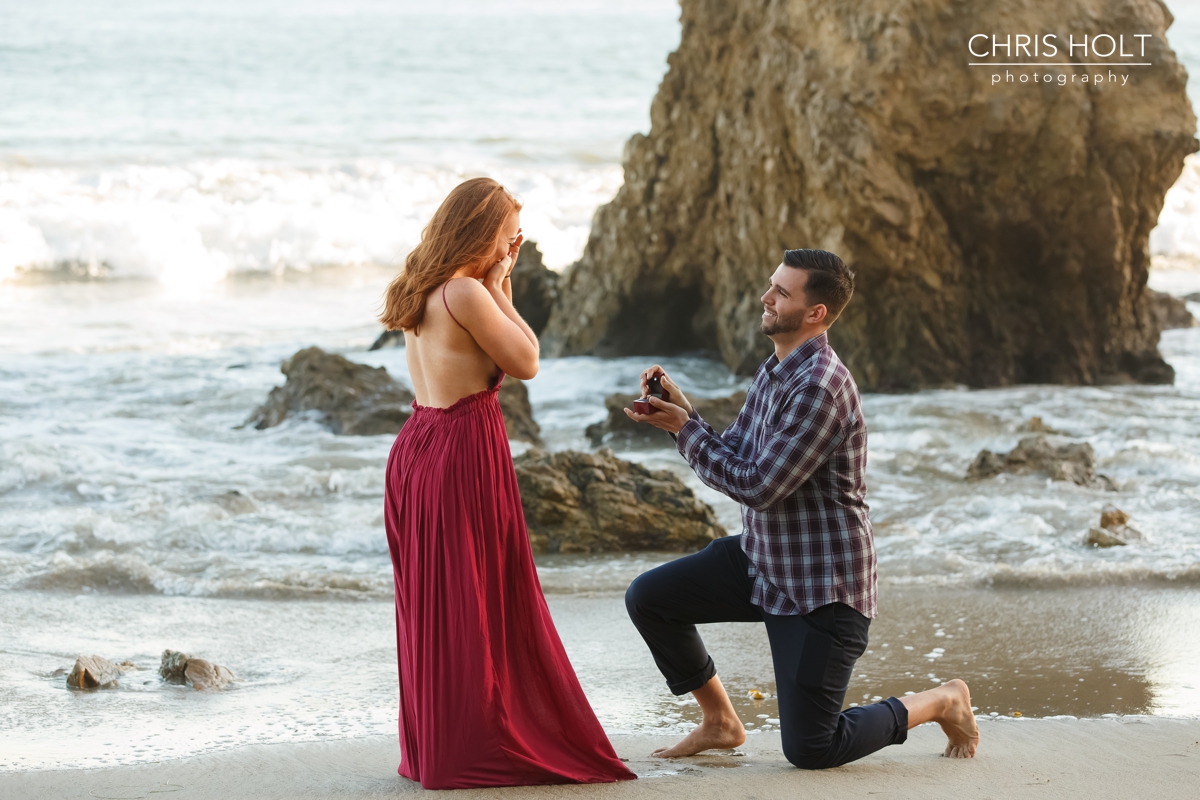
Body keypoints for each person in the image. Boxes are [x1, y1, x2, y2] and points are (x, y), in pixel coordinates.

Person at [623, 248, 980, 768]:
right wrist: (687, 413)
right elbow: (742, 454)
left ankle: (942, 699)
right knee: (650, 598)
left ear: (816, 313)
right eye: (772, 285)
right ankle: (720, 721)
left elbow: (760, 486)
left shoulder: (819, 387)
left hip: (822, 590)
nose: (766, 298)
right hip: (764, 562)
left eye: (781, 293)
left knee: (813, 748)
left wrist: (683, 430)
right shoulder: (777, 368)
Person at [379, 178, 636, 789]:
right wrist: (499, 287)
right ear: (481, 231)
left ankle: (439, 741)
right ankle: (467, 746)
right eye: (507, 233)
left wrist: (498, 284)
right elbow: (527, 361)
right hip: (461, 448)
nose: (512, 243)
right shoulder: (466, 291)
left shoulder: (422, 287)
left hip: (417, 444)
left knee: (436, 602)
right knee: (476, 597)